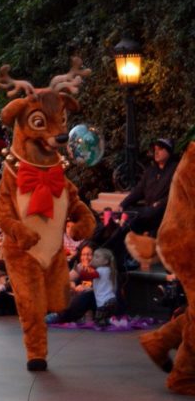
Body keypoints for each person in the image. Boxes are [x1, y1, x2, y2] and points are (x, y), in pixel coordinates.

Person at [105, 138, 180, 269]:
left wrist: (160, 203)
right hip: (147, 212)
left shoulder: (175, 170)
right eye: (155, 150)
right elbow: (138, 191)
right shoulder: (150, 171)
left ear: (169, 152)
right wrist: (123, 204)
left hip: (164, 212)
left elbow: (176, 194)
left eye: (160, 149)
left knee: (134, 217)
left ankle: (128, 257)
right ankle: (115, 254)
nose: (156, 153)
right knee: (124, 218)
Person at [47, 246, 119, 327]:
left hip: (104, 303)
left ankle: (59, 317)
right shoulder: (109, 270)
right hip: (107, 301)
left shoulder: (101, 270)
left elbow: (88, 276)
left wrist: (80, 271)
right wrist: (72, 285)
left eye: (90, 255)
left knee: (87, 296)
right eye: (83, 254)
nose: (87, 258)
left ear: (105, 261)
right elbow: (64, 280)